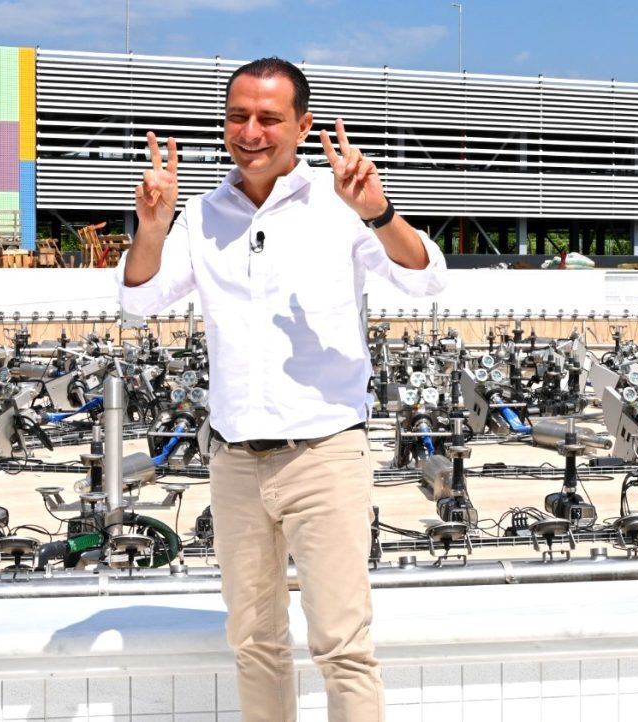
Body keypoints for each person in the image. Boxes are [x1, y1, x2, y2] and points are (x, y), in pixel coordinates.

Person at [117, 57, 446, 722]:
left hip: (324, 456)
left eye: (269, 118)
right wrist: (152, 229)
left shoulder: (339, 205)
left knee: (342, 646)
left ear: (302, 126)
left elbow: (425, 278)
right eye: (238, 116)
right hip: (235, 462)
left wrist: (379, 213)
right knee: (254, 644)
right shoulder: (203, 215)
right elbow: (139, 300)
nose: (251, 132)